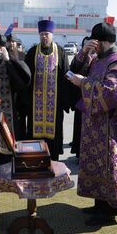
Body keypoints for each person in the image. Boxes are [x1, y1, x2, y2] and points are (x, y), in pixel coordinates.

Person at [68, 23, 117, 226]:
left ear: (103, 41)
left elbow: (110, 93)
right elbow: (74, 70)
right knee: (96, 166)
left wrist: (83, 83)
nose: (93, 46)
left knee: (109, 168)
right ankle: (99, 205)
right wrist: (83, 52)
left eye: (94, 42)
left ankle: (109, 212)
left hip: (109, 129)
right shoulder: (98, 58)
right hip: (95, 126)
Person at [24, 20, 70, 161]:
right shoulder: (32, 52)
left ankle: (54, 161)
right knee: (35, 137)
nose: (44, 37)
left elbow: (66, 77)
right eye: (42, 34)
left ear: (52, 35)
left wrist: (65, 101)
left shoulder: (61, 52)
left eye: (47, 34)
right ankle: (36, 160)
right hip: (35, 105)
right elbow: (26, 77)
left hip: (54, 105)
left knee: (54, 137)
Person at [6, 33, 29, 139]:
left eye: (13, 42)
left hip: (20, 98)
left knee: (20, 127)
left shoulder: (22, 56)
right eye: (9, 42)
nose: (11, 44)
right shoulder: (3, 57)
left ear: (16, 43)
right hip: (7, 96)